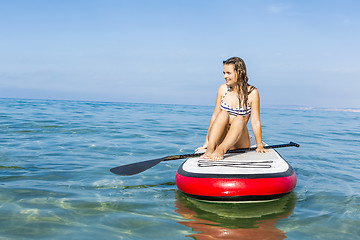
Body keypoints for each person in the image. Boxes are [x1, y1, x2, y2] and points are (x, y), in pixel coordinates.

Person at [196, 57, 267, 160]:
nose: (225, 76)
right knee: (223, 114)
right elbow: (215, 116)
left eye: (228, 73)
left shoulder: (252, 92)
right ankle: (210, 150)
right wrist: (206, 143)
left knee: (239, 119)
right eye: (224, 73)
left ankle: (221, 150)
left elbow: (255, 121)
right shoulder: (222, 89)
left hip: (239, 141)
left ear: (239, 72)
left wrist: (259, 144)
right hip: (221, 139)